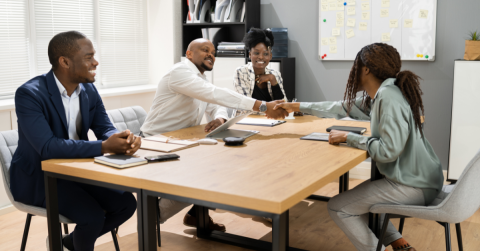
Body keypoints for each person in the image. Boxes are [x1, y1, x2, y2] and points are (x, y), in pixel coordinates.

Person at [274, 43, 443, 251]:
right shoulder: (385, 93)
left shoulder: (388, 98)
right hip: (421, 179)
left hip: (414, 186)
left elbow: (388, 151)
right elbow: (340, 107)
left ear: (366, 69)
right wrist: (296, 106)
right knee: (361, 197)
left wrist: (349, 138)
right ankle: (398, 241)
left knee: (339, 207)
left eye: (356, 66)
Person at [140, 38, 288, 232]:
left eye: (213, 52)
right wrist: (260, 105)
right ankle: (154, 216)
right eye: (204, 50)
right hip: (155, 141)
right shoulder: (180, 72)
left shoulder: (199, 78)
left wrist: (219, 118)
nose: (211, 54)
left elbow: (215, 104)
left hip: (181, 139)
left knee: (222, 162)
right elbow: (214, 94)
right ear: (189, 54)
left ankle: (197, 214)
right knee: (204, 173)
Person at [10, 31, 140, 251]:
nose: (95, 62)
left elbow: (103, 127)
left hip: (75, 172)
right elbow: (47, 147)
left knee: (126, 204)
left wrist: (120, 139)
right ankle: (79, 241)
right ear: (65, 62)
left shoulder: (88, 89)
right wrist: (103, 146)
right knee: (92, 217)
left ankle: (71, 241)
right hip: (40, 179)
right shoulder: (29, 94)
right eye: (88, 57)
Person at [233, 28, 286, 102]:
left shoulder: (275, 74)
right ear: (250, 54)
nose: (261, 57)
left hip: (270, 114)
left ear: (270, 56)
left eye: (265, 54)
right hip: (249, 114)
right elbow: (245, 106)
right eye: (256, 53)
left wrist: (272, 80)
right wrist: (268, 108)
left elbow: (283, 105)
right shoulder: (241, 72)